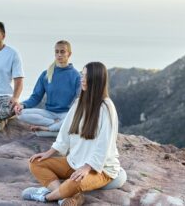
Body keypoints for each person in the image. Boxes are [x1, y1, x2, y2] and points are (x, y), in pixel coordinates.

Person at [23, 62, 120, 206]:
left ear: (96, 79)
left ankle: (46, 197)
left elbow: (103, 145)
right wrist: (49, 153)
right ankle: (64, 197)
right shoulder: (79, 103)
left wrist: (87, 168)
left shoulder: (106, 107)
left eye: (86, 76)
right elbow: (65, 133)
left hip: (100, 169)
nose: (82, 79)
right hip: (74, 161)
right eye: (82, 74)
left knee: (74, 182)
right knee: (36, 163)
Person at [13, 40, 81, 132]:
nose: (59, 55)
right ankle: (55, 124)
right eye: (57, 52)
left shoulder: (76, 76)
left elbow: (79, 100)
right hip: (49, 113)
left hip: (66, 113)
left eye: (62, 51)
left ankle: (50, 127)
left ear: (69, 54)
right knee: (20, 114)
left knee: (73, 119)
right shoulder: (46, 74)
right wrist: (22, 105)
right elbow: (36, 97)